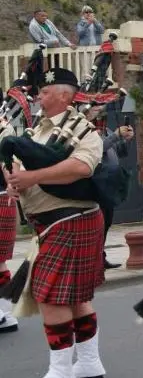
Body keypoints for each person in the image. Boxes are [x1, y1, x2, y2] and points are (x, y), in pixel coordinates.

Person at [3, 68, 106, 377]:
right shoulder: (38, 130)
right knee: (75, 299)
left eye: (45, 92)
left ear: (65, 95)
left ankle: (60, 370)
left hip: (71, 219)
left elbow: (80, 168)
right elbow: (27, 171)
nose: (38, 97)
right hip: (50, 224)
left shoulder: (85, 129)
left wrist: (31, 176)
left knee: (50, 297)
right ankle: (89, 364)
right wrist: (16, 184)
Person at [86, 104, 134, 269]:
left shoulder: (106, 131)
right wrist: (115, 135)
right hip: (97, 183)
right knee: (99, 223)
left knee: (107, 223)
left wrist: (126, 140)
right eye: (95, 110)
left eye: (100, 111)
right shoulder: (86, 131)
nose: (99, 113)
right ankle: (94, 258)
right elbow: (99, 149)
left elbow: (120, 152)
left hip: (110, 183)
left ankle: (100, 256)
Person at [0, 118, 19, 334]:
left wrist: (10, 182)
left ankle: (5, 313)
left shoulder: (4, 130)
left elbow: (8, 163)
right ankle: (6, 313)